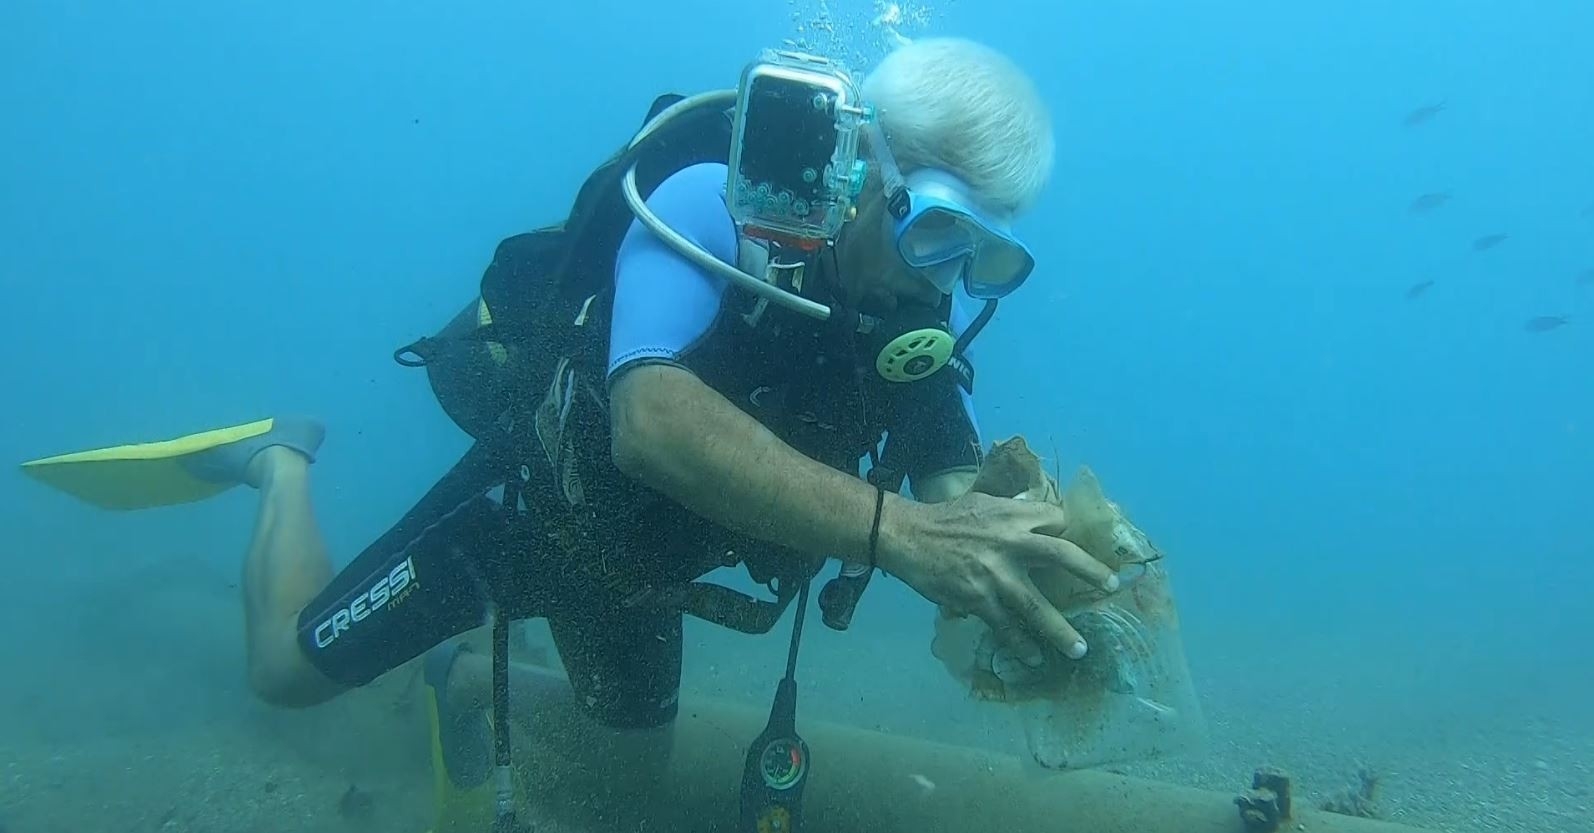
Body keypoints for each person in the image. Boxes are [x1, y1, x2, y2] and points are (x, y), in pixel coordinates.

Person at [20, 36, 1118, 831]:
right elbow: (650, 421)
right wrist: (898, 532)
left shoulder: (905, 320)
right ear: (857, 168)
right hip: (526, 509)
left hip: (638, 570)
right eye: (933, 231)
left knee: (623, 777)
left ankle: (453, 682)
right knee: (281, 672)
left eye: (983, 257)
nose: (946, 282)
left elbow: (952, 492)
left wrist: (1032, 557)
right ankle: (277, 460)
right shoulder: (708, 204)